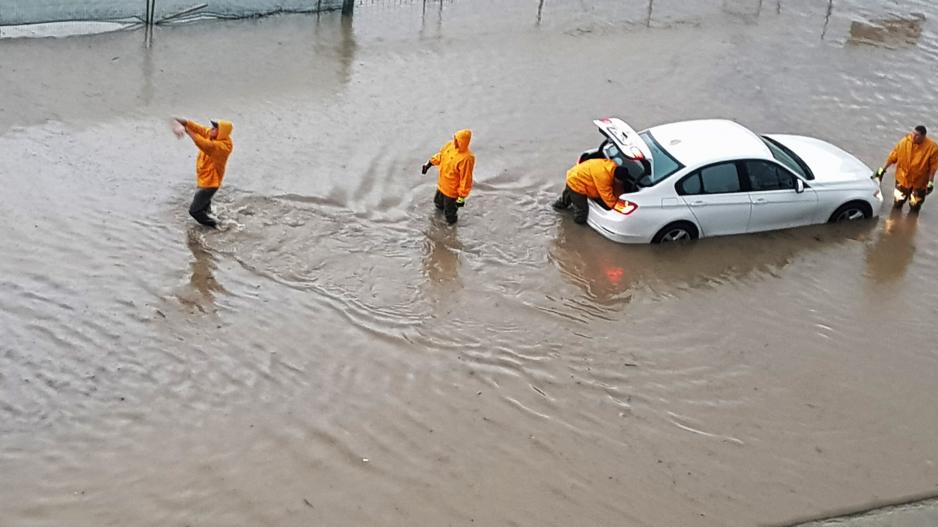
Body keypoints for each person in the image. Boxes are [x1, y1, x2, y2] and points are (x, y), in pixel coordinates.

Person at [175, 117, 234, 228]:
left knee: (195, 212)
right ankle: (213, 220)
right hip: (204, 179)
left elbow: (202, 143)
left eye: (215, 128)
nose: (211, 129)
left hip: (210, 183)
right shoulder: (214, 136)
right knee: (205, 209)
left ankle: (217, 226)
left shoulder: (222, 147)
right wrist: (182, 121)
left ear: (221, 133)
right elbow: (199, 129)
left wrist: (187, 130)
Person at [552, 157, 637, 224]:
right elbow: (606, 197)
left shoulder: (611, 165)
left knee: (565, 200)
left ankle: (556, 207)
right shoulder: (603, 177)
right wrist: (617, 205)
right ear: (616, 178)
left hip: (573, 174)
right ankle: (574, 229)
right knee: (582, 212)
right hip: (577, 185)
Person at [875, 125, 938, 212]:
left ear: (923, 137)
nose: (913, 137)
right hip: (902, 181)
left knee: (915, 206)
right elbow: (892, 156)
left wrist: (930, 182)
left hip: (919, 184)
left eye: (917, 135)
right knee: (897, 203)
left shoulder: (932, 148)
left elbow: (933, 167)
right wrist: (882, 169)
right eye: (913, 133)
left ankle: (912, 221)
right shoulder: (904, 142)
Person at [421, 129, 475, 225]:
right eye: (455, 138)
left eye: (457, 140)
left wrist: (461, 197)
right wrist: (429, 164)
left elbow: (466, 179)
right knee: (438, 204)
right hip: (442, 185)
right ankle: (436, 224)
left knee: (450, 214)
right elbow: (440, 156)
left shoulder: (467, 158)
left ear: (464, 142)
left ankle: (451, 231)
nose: (455, 142)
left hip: (452, 191)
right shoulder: (450, 146)